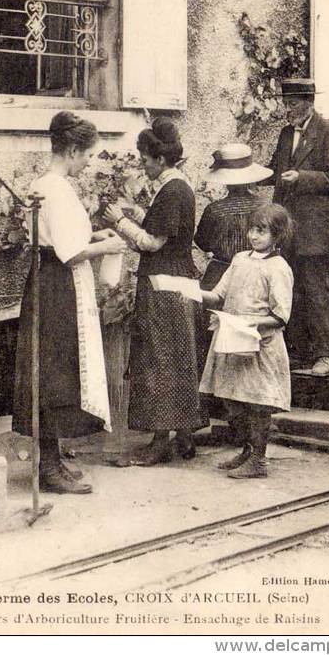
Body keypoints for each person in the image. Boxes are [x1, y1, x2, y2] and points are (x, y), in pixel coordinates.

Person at [13, 111, 126, 494]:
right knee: (55, 372)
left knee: (58, 370)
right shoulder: (56, 188)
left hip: (53, 280)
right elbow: (67, 252)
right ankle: (48, 468)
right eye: (87, 156)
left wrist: (95, 233)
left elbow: (63, 238)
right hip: (57, 285)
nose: (88, 163)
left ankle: (53, 459)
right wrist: (106, 246)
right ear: (73, 150)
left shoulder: (49, 184)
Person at [104, 117, 208, 465]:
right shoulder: (178, 188)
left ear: (160, 160)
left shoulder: (172, 191)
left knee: (158, 362)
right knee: (180, 362)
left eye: (145, 159)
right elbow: (166, 226)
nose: (142, 165)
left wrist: (119, 221)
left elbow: (152, 242)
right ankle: (185, 437)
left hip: (163, 286)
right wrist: (140, 213)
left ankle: (159, 442)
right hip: (181, 284)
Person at [200, 204, 294, 479]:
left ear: (277, 236)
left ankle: (259, 460)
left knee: (256, 404)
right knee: (232, 401)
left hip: (259, 344)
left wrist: (249, 322)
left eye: (262, 231)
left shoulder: (278, 268)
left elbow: (280, 315)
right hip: (232, 340)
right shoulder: (240, 259)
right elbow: (218, 295)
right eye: (253, 229)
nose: (254, 236)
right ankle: (247, 450)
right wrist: (190, 290)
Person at [269, 78, 329, 376]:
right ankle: (300, 353)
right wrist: (247, 172)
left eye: (292, 104)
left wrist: (301, 177)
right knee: (292, 290)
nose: (287, 110)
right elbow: (276, 169)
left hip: (317, 228)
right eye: (285, 103)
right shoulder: (286, 133)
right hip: (288, 226)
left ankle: (326, 354)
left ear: (308, 103)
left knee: (316, 289)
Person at [194, 144, 272, 426]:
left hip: (220, 273)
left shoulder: (215, 210)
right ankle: (246, 419)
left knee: (217, 342)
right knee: (247, 345)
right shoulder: (265, 207)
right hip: (253, 278)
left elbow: (201, 241)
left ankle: (221, 411)